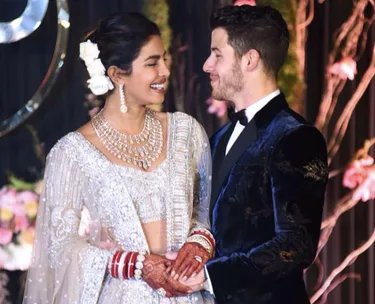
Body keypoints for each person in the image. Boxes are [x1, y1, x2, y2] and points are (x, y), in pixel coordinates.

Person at [23, 12, 215, 304]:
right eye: (152, 63)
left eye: (163, 59)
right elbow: (59, 246)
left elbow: (208, 212)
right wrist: (134, 264)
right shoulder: (72, 152)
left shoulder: (186, 132)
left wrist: (200, 243)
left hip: (189, 293)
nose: (165, 70)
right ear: (116, 74)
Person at [186, 4, 328, 304]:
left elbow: (296, 244)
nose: (206, 65)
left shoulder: (296, 137)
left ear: (250, 59)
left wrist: (211, 276)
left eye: (217, 54)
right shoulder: (218, 139)